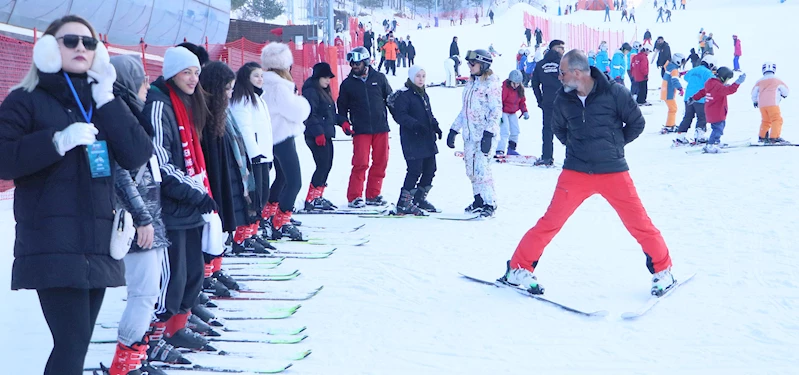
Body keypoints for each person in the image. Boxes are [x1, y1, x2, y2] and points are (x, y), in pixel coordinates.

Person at [0, 15, 153, 375]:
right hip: (52, 241)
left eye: (89, 43)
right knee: (70, 342)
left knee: (78, 343)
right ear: (50, 49)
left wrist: (108, 100)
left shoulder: (101, 99)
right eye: (70, 41)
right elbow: (3, 159)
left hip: (97, 241)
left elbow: (137, 153)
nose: (81, 48)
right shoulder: (26, 100)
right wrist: (55, 142)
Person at [501, 50, 675, 297]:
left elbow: (637, 123)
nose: (559, 77)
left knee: (639, 224)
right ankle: (517, 269)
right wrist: (577, 148)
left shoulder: (614, 93)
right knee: (550, 222)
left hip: (613, 171)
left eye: (562, 72)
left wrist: (613, 146)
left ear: (577, 72)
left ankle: (664, 270)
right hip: (576, 172)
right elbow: (558, 129)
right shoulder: (563, 99)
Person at [144, 46, 217, 352]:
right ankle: (157, 336)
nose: (193, 78)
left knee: (192, 273)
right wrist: (193, 191)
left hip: (187, 202)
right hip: (171, 206)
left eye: (196, 72)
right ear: (172, 73)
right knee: (173, 278)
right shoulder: (160, 104)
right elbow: (160, 162)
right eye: (187, 72)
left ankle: (178, 326)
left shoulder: (185, 103)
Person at [104, 54, 169, 375]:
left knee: (148, 293)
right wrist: (143, 217)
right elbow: (121, 176)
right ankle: (124, 365)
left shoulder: (131, 115)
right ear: (126, 82)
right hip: (136, 220)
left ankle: (134, 359)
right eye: (142, 79)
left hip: (148, 216)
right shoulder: (120, 118)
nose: (147, 86)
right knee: (143, 294)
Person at [260, 43, 310, 240]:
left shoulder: (264, 82)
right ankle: (281, 221)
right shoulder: (279, 86)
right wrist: (303, 103)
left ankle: (269, 214)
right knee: (294, 181)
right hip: (282, 137)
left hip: (269, 137)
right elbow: (296, 111)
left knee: (281, 179)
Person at [446, 49, 502, 217]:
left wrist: (489, 133)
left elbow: (496, 111)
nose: (469, 66)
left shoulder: (491, 84)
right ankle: (478, 200)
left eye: (472, 64)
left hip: (484, 136)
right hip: (470, 136)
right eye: (469, 63)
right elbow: (466, 111)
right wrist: (454, 129)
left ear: (483, 64)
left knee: (482, 170)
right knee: (470, 170)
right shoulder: (471, 83)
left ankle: (489, 203)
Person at [339, 47, 393, 208]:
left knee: (381, 161)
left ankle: (373, 194)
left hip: (380, 128)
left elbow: (390, 101)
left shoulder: (380, 78)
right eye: (352, 63)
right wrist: (344, 122)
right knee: (360, 163)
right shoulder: (347, 84)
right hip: (360, 129)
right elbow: (341, 108)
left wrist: (402, 118)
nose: (354, 66)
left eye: (357, 63)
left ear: (366, 62)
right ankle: (354, 196)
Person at [229, 62, 276, 244]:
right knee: (253, 196)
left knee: (263, 195)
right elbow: (244, 128)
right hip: (252, 157)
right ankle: (243, 236)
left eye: (261, 76)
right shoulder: (243, 99)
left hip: (263, 156)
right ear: (246, 78)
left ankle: (253, 232)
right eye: (256, 76)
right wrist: (254, 152)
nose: (260, 79)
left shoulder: (259, 99)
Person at [388, 65, 441, 215]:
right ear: (411, 77)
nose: (421, 79)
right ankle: (403, 203)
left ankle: (418, 199)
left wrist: (435, 126)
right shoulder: (404, 95)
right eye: (418, 76)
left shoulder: (423, 94)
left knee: (430, 169)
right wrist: (415, 125)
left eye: (423, 76)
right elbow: (401, 116)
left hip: (427, 138)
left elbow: (429, 113)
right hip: (412, 139)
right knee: (414, 170)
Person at [301, 62, 340, 211]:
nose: (327, 81)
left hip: (325, 135)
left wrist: (341, 121)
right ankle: (311, 199)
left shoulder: (324, 91)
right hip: (315, 136)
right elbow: (310, 114)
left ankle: (318, 195)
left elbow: (329, 114)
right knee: (322, 165)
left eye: (329, 78)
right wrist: (318, 133)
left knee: (327, 165)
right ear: (317, 77)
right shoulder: (311, 91)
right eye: (325, 78)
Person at [689, 67, 746, 153]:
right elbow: (729, 90)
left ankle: (716, 142)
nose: (727, 81)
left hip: (711, 111)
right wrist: (738, 82)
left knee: (718, 127)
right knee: (717, 129)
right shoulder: (718, 86)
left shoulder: (711, 84)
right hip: (717, 111)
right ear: (723, 77)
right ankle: (711, 144)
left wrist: (694, 98)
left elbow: (702, 92)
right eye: (727, 79)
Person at [530, 40, 566, 166]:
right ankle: (574, 158)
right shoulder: (564, 64)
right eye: (561, 48)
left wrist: (540, 100)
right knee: (571, 129)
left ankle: (547, 157)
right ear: (554, 49)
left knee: (547, 130)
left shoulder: (540, 65)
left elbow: (534, 84)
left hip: (548, 102)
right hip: (564, 102)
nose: (563, 50)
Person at [674, 55, 716, 145]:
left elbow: (686, 78)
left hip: (688, 98)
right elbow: (713, 82)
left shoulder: (694, 70)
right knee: (702, 117)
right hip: (700, 98)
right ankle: (699, 136)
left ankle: (680, 137)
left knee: (687, 117)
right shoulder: (708, 72)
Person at [752, 62, 790, 144]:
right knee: (776, 119)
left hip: (762, 105)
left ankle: (762, 136)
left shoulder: (759, 81)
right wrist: (784, 95)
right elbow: (785, 91)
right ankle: (774, 137)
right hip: (773, 103)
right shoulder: (777, 80)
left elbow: (754, 92)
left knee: (766, 120)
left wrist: (755, 101)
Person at [498, 70, 529, 156]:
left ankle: (511, 149)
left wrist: (525, 111)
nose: (516, 86)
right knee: (505, 130)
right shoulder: (505, 88)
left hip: (512, 112)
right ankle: (500, 149)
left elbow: (522, 102)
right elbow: (499, 101)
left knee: (515, 130)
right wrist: (498, 114)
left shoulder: (520, 89)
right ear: (510, 81)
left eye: (518, 83)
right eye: (514, 83)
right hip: (503, 112)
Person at [660, 53, 684, 134]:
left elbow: (673, 75)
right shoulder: (674, 69)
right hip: (668, 91)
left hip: (666, 90)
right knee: (673, 108)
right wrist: (680, 88)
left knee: (672, 108)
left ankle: (670, 124)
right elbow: (674, 80)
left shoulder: (670, 66)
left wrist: (679, 74)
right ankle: (670, 125)